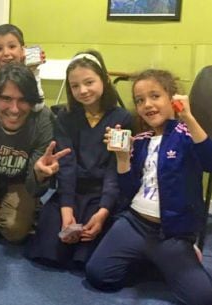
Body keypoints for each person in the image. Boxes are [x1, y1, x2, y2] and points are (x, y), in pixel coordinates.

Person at [86, 69, 212, 305]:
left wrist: (189, 118)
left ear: (172, 97)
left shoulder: (187, 135)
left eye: (155, 96)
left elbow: (210, 161)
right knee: (98, 275)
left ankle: (169, 258)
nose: (147, 104)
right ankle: (154, 262)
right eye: (140, 100)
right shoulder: (141, 141)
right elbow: (129, 188)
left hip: (171, 232)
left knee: (203, 298)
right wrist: (123, 159)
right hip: (135, 223)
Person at [26, 50, 133, 268]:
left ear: (104, 80)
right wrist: (66, 209)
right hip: (73, 189)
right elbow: (67, 164)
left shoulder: (122, 118)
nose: (83, 90)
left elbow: (114, 172)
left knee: (89, 250)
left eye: (89, 82)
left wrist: (104, 211)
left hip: (103, 193)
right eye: (75, 86)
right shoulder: (65, 117)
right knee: (50, 248)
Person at [0, 63, 71, 244]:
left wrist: (39, 176)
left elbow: (35, 189)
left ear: (33, 102)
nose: (14, 109)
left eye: (23, 100)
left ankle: (21, 209)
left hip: (21, 182)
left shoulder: (43, 119)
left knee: (14, 231)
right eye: (6, 99)